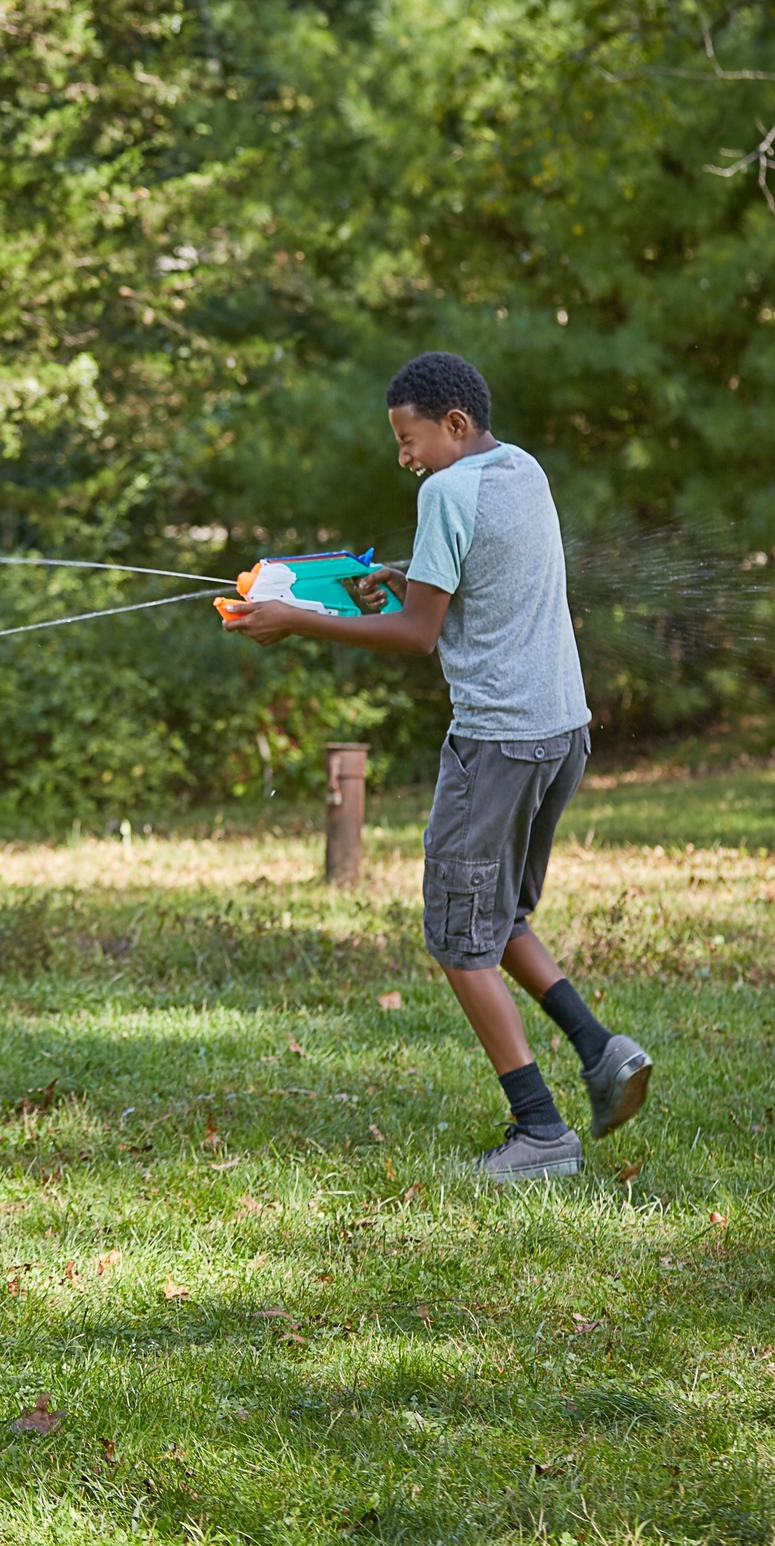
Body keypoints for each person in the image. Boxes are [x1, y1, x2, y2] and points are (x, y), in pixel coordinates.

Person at [223, 351, 652, 1182]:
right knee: (501, 918)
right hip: (561, 731)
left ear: (454, 424)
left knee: (460, 941)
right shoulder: (521, 468)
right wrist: (397, 576)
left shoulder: (444, 491)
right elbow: (471, 584)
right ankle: (603, 1054)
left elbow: (419, 634)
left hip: (494, 744)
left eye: (410, 438)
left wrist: (292, 620)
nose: (404, 456)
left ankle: (541, 1133)